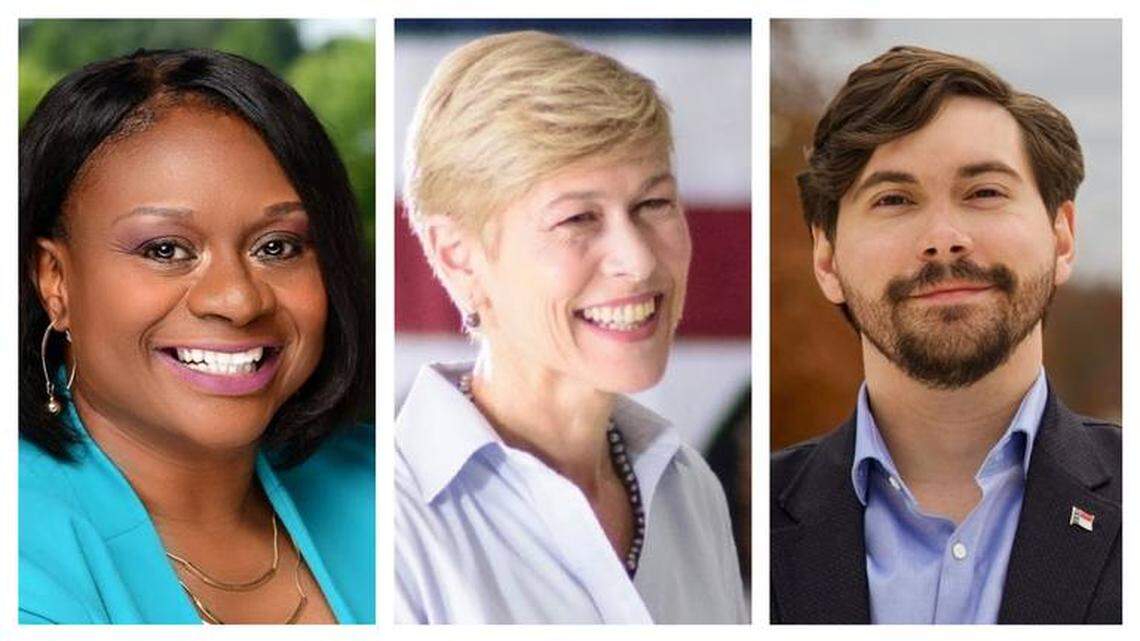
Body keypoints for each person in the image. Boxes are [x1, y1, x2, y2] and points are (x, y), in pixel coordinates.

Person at [396, 30, 747, 624]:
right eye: (577, 218)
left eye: (653, 204)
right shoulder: (394, 522)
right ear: (456, 254)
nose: (637, 260)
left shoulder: (691, 491)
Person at [18, 48, 374, 624]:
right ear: (55, 281)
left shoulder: (389, 485)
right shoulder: (23, 562)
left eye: (277, 247)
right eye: (166, 250)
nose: (237, 301)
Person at [770, 45, 1120, 624]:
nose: (943, 237)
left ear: (1062, 238)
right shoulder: (742, 528)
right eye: (894, 199)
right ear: (826, 260)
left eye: (984, 192)